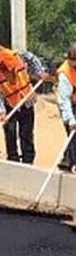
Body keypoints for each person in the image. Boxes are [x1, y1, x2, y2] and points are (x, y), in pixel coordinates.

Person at [0, 44, 46, 165]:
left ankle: (28, 160)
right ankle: (13, 159)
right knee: (10, 133)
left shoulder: (19, 57)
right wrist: (2, 112)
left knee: (26, 133)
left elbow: (32, 58)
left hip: (26, 100)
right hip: (9, 104)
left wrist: (40, 71)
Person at [56, 43, 76, 173]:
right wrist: (71, 120)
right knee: (73, 135)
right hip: (70, 105)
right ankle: (72, 163)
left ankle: (66, 161)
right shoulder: (65, 74)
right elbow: (64, 100)